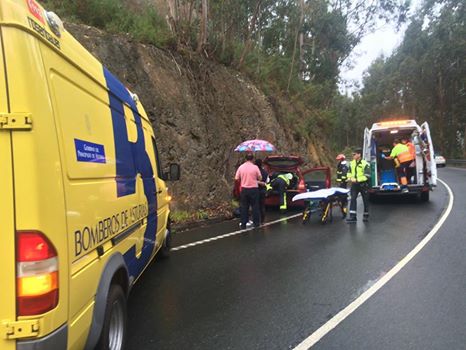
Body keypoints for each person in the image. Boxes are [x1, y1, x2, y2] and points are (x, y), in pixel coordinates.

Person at [235, 153, 262, 229]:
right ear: (252, 159)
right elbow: (260, 178)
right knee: (255, 206)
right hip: (254, 189)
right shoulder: (255, 167)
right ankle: (256, 223)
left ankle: (244, 222)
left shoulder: (241, 167)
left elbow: (236, 178)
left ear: (245, 159)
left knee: (244, 207)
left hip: (244, 189)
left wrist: (243, 179)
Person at [347, 148, 370, 223]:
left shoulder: (365, 163)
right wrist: (350, 178)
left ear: (359, 155)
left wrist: (357, 180)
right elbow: (349, 172)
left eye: (354, 154)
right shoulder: (351, 163)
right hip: (354, 185)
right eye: (353, 154)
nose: (353, 156)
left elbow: (367, 176)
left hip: (363, 184)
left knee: (365, 200)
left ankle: (366, 215)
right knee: (353, 199)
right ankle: (352, 216)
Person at [255, 158, 269, 224]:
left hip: (255, 190)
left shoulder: (254, 171)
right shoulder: (265, 172)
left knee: (256, 205)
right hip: (263, 190)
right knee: (262, 206)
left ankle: (256, 220)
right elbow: (267, 181)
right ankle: (262, 220)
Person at [335, 154, 348, 218]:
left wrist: (342, 180)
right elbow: (339, 173)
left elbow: (344, 174)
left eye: (339, 159)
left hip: (343, 181)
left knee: (343, 192)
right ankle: (342, 201)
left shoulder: (344, 165)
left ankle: (344, 202)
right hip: (340, 181)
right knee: (341, 191)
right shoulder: (340, 164)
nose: (338, 160)